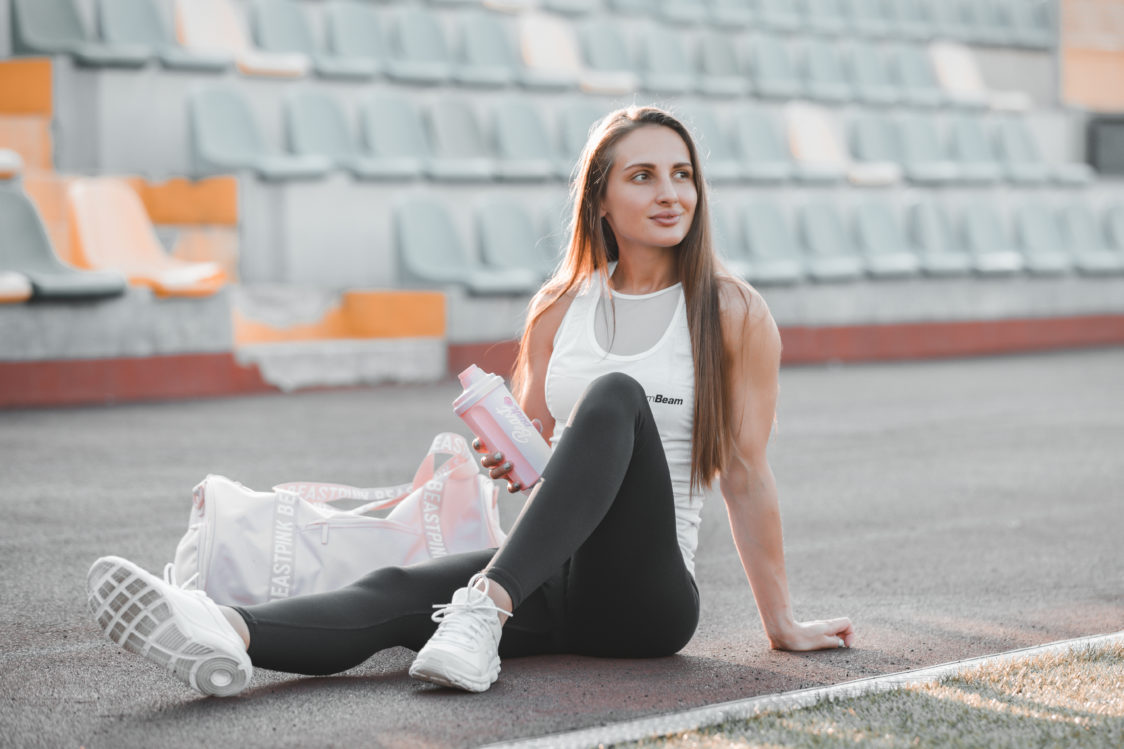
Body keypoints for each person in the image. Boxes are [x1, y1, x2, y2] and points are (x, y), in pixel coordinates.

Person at [86, 105, 854, 698]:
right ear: (601, 197)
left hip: (649, 599)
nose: (670, 192)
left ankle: (482, 606)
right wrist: (505, 455)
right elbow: (542, 464)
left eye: (682, 173)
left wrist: (781, 623)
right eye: (644, 175)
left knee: (616, 396)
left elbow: (748, 473)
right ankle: (218, 631)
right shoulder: (560, 307)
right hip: (552, 576)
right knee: (388, 597)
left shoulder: (731, 311)